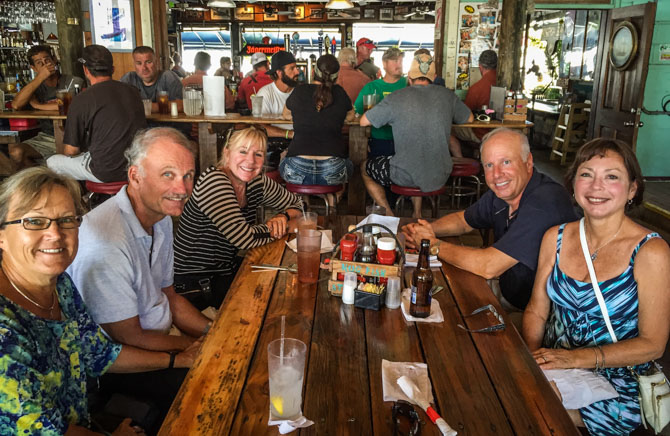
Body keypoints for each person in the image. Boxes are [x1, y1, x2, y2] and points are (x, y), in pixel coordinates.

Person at [0, 167, 199, 435]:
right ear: (2, 233)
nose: (56, 234)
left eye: (67, 220)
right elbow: (41, 431)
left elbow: (100, 354)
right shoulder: (5, 329)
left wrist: (180, 360)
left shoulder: (60, 286)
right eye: (35, 221)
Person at [522, 138, 670, 435]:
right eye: (586, 174)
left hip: (619, 383)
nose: (596, 186)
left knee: (529, 410)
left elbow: (653, 344)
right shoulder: (556, 237)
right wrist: (531, 360)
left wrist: (573, 359)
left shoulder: (651, 252)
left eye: (611, 177)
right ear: (573, 184)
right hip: (557, 366)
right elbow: (537, 311)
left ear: (632, 189)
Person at [67, 127, 211, 421]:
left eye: (188, 176)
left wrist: (215, 334)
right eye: (167, 174)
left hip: (161, 339)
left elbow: (169, 296)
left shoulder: (161, 217)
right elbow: (127, 337)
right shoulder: (106, 241)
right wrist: (197, 349)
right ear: (135, 176)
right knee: (212, 389)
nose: (183, 189)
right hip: (121, 364)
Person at [403, 128, 577, 314]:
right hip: (509, 293)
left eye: (506, 162)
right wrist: (427, 229)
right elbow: (464, 220)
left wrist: (432, 244)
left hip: (543, 316)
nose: (497, 174)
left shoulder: (545, 202)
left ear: (528, 162)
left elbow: (489, 266)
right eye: (489, 165)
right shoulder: (504, 193)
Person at [174, 126, 303, 308]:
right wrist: (288, 226)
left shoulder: (256, 181)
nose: (250, 161)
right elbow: (243, 238)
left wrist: (282, 216)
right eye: (242, 151)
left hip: (224, 270)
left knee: (284, 285)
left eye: (258, 154)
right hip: (193, 283)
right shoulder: (215, 181)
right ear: (227, 153)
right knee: (272, 301)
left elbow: (298, 205)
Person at [360, 53, 473, 218]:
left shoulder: (397, 97)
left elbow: (364, 121)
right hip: (440, 174)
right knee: (414, 160)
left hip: (404, 175)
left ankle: (390, 215)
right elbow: (469, 118)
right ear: (433, 78)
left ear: (409, 77)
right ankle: (417, 213)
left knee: (365, 167)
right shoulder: (447, 96)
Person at [46, 44, 146, 183]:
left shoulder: (81, 99)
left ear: (86, 70)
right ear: (112, 69)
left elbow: (71, 151)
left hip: (105, 172)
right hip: (138, 167)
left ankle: (79, 200)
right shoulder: (133, 91)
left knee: (52, 162)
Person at [280, 54, 355, 195]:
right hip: (333, 170)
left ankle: (303, 204)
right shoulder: (339, 92)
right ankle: (332, 205)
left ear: (314, 72)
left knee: (283, 157)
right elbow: (351, 116)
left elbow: (285, 114)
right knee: (350, 166)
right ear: (336, 77)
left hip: (297, 169)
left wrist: (302, 115)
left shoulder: (300, 90)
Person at [9, 45, 84, 168]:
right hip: (46, 137)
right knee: (16, 152)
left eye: (47, 60)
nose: (45, 65)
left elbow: (68, 105)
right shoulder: (34, 86)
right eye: (39, 63)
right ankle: (37, 184)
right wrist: (40, 78)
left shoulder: (73, 80)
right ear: (33, 68)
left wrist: (38, 105)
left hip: (72, 137)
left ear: (54, 60)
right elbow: (16, 105)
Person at [354, 47, 406, 158]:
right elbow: (357, 113)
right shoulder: (372, 87)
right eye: (395, 60)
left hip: (406, 141)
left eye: (401, 60)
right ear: (384, 63)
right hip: (379, 140)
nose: (399, 64)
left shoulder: (409, 84)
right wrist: (364, 139)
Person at [256, 51, 300, 169]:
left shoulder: (301, 92)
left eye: (296, 67)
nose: (297, 72)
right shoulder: (265, 93)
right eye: (292, 68)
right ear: (279, 73)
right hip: (274, 144)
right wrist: (289, 134)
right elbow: (261, 128)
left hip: (299, 142)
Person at [450, 49, 498, 157]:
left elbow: (465, 115)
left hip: (481, 134)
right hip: (500, 130)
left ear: (480, 66)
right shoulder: (503, 82)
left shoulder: (477, 88)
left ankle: (461, 160)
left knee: (448, 129)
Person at [121, 46, 183, 113]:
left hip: (168, 123)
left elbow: (181, 105)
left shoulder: (168, 77)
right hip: (139, 123)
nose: (144, 68)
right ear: (134, 65)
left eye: (148, 62)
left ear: (156, 62)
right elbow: (119, 104)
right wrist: (164, 106)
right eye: (139, 63)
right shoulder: (129, 78)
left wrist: (146, 106)